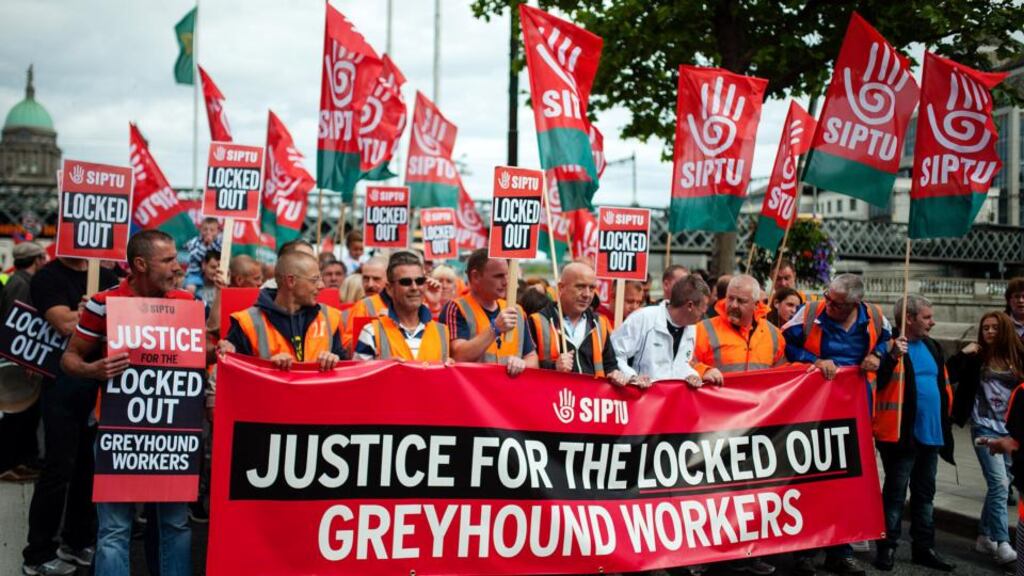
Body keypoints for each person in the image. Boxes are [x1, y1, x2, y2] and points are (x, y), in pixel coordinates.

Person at [60, 230, 195, 576]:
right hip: (117, 431)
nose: (177, 266)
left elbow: (202, 354)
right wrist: (93, 369)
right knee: (114, 531)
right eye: (168, 260)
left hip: (173, 434)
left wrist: (218, 347)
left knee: (175, 525)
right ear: (140, 264)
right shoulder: (103, 303)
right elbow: (70, 358)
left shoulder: (187, 302)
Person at [783, 273, 890, 576]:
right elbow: (783, 343)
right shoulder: (810, 313)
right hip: (813, 412)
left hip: (853, 414)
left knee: (845, 483)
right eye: (827, 297)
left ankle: (840, 552)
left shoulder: (875, 317)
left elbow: (888, 340)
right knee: (809, 480)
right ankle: (804, 553)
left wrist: (878, 355)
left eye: (836, 303)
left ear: (854, 304)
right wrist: (814, 361)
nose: (827, 304)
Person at [20, 255, 118, 576]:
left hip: (99, 386)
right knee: (58, 468)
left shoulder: (107, 277)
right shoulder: (48, 277)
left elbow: (124, 321)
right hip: (61, 386)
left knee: (89, 468)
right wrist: (96, 313)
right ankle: (38, 554)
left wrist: (98, 313)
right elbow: (63, 324)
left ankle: (77, 541)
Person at [873, 295, 955, 572]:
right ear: (908, 318)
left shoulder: (932, 346)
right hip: (900, 436)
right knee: (895, 496)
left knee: (925, 495)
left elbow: (942, 384)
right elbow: (874, 382)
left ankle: (924, 548)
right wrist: (891, 357)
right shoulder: (888, 346)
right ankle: (887, 547)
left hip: (931, 434)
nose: (932, 322)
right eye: (927, 317)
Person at [948, 311, 1023, 567]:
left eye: (995, 328)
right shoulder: (976, 357)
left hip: (1010, 431)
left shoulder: (1018, 356)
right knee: (1000, 484)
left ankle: (984, 536)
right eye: (985, 328)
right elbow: (947, 374)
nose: (989, 332)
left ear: (1005, 330)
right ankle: (1003, 543)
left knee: (1001, 484)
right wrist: (963, 353)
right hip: (983, 428)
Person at [221, 250, 345, 370]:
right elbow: (234, 373)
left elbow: (344, 370)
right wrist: (269, 367)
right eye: (314, 280)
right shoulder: (248, 322)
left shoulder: (329, 317)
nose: (321, 286)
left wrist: (334, 360)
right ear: (291, 281)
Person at [528, 261, 629, 385]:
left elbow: (610, 366)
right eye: (580, 287)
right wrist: (554, 367)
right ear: (561, 287)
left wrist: (615, 374)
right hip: (553, 396)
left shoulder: (600, 324)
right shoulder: (538, 321)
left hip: (590, 396)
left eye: (591, 288)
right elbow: (527, 372)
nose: (587, 294)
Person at [443, 248, 538, 377]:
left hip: (508, 388)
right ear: (475, 277)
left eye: (507, 275)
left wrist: (523, 364)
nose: (506, 282)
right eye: (498, 276)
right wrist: (495, 329)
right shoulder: (457, 308)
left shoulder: (517, 311)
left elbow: (532, 358)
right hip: (475, 389)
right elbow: (458, 356)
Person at [0, 242, 47, 484]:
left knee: (24, 416)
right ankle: (7, 464)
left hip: (19, 360)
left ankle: (22, 461)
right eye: (43, 258)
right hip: (18, 363)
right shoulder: (22, 285)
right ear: (36, 260)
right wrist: (24, 361)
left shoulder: (19, 281)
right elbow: (18, 326)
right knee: (16, 415)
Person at [611, 275, 710, 385]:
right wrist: (632, 377)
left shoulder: (691, 327)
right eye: (703, 307)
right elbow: (614, 354)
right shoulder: (643, 318)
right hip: (642, 393)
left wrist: (691, 375)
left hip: (673, 394)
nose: (704, 313)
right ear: (690, 306)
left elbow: (681, 364)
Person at [692, 275, 786, 388]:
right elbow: (683, 363)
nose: (734, 305)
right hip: (719, 399)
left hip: (760, 399)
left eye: (741, 301)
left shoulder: (774, 334)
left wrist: (805, 369)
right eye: (730, 298)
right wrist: (704, 371)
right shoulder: (703, 329)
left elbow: (783, 375)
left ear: (756, 305)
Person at [354, 252, 450, 361]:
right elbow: (360, 371)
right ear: (390, 289)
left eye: (419, 281)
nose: (414, 287)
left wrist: (435, 305)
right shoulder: (371, 332)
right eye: (405, 282)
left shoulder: (442, 332)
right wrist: (381, 367)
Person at [342, 256, 389, 350]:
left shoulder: (404, 303)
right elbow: (348, 344)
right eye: (366, 278)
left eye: (376, 279)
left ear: (389, 279)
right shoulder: (362, 306)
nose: (370, 284)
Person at [184, 217, 222, 292]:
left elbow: (219, 255)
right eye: (205, 229)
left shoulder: (219, 242)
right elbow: (197, 257)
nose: (208, 232)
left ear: (218, 231)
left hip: (214, 272)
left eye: (212, 230)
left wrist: (211, 244)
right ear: (200, 230)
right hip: (195, 272)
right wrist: (205, 245)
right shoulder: (194, 242)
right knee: (190, 288)